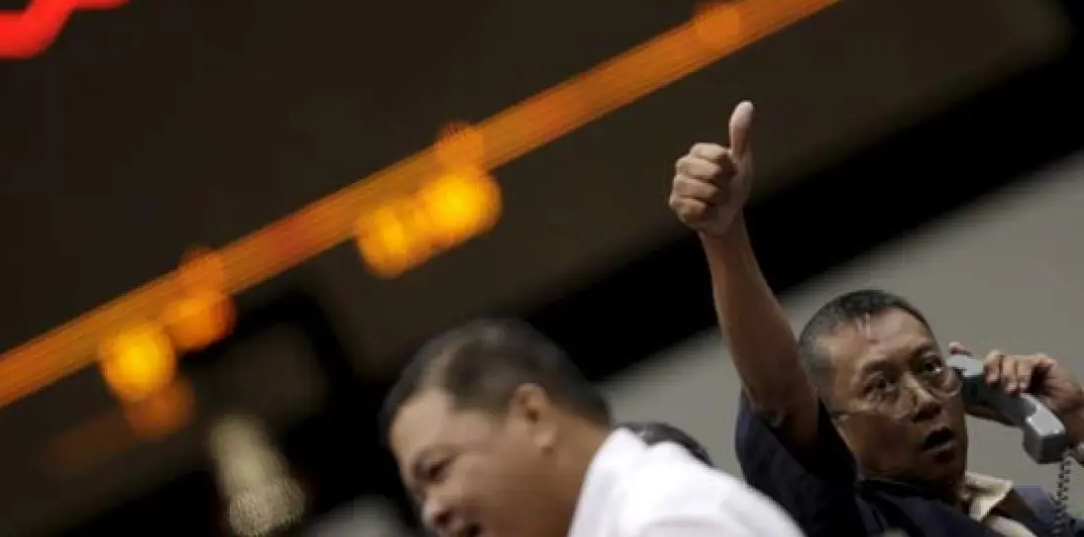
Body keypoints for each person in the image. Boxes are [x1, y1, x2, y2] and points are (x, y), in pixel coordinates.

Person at [668, 100, 1084, 536]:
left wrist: (1075, 422)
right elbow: (779, 396)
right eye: (881, 385)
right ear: (831, 431)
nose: (924, 400)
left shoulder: (1031, 511)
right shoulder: (851, 522)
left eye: (930, 367)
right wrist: (724, 237)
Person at [381, 318, 805, 537]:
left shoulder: (662, 522)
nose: (432, 512)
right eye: (419, 496)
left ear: (532, 415)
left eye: (437, 470)